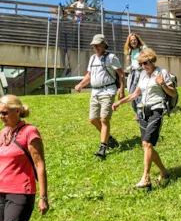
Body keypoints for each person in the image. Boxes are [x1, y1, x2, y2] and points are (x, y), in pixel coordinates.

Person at [113, 49, 175, 190]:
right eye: (141, 64)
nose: (143, 66)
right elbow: (135, 94)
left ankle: (145, 177)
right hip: (143, 111)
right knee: (146, 145)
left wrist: (163, 84)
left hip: (156, 109)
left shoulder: (162, 73)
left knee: (147, 143)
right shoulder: (142, 75)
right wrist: (119, 102)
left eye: (145, 63)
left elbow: (173, 92)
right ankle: (164, 171)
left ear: (152, 61)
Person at [74, 34, 126, 159]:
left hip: (108, 91)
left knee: (104, 119)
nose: (96, 47)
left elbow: (121, 74)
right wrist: (80, 85)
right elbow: (89, 75)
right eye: (94, 45)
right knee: (93, 119)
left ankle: (103, 147)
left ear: (104, 45)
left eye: (98, 45)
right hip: (95, 92)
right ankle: (110, 139)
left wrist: (122, 89)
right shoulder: (92, 59)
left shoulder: (111, 57)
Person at [123, 32, 148, 119]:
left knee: (137, 93)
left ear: (137, 40)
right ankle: (138, 112)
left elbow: (149, 58)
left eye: (134, 40)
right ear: (129, 42)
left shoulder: (143, 48)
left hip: (141, 73)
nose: (133, 41)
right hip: (132, 73)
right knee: (131, 92)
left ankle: (140, 113)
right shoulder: (130, 51)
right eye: (131, 40)